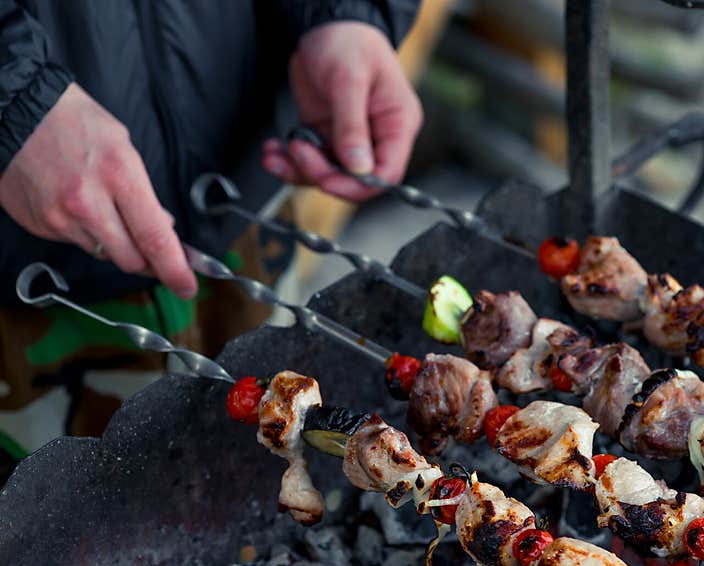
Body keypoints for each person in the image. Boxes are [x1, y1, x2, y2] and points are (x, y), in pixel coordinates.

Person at [0, 0, 423, 468]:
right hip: (29, 283)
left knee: (268, 472)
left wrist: (342, 12)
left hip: (241, 206)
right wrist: (14, 101)